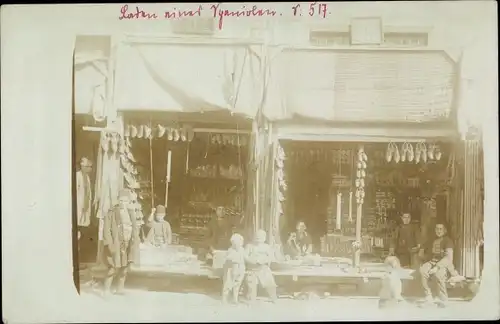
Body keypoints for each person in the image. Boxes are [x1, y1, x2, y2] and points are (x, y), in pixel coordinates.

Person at [102, 189, 139, 297]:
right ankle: (106, 290)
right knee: (113, 267)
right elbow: (106, 229)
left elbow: (135, 228)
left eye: (126, 201)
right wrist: (109, 243)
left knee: (124, 268)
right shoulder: (112, 213)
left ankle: (120, 289)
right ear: (118, 200)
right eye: (121, 200)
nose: (123, 203)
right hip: (116, 243)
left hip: (127, 243)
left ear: (128, 202)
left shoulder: (131, 213)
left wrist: (135, 241)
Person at [418, 222, 465, 308]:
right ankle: (428, 296)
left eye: (441, 229)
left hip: (444, 264)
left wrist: (437, 267)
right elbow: (424, 246)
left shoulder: (448, 241)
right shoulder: (432, 239)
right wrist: (421, 250)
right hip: (432, 261)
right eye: (437, 229)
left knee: (438, 274)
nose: (438, 231)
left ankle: (443, 299)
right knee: (423, 270)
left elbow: (448, 258)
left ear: (445, 230)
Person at [244, 229, 278, 303]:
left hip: (263, 268)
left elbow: (271, 257)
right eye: (257, 236)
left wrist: (264, 260)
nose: (258, 238)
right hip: (252, 269)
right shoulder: (249, 246)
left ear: (264, 238)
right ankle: (251, 299)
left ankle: (273, 297)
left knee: (270, 284)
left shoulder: (267, 247)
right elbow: (245, 256)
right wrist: (252, 261)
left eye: (260, 236)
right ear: (254, 237)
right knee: (251, 285)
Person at [222, 233, 246, 304]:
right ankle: (224, 298)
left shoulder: (242, 250)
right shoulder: (230, 250)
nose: (238, 245)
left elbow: (245, 257)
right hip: (232, 269)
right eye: (235, 243)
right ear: (232, 243)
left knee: (237, 284)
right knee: (228, 283)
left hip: (241, 268)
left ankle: (235, 298)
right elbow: (228, 258)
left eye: (240, 242)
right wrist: (234, 259)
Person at [76, 157, 93, 238]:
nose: (88, 169)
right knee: (79, 219)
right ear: (82, 167)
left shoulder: (87, 177)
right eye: (87, 167)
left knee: (84, 221)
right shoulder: (77, 175)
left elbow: (88, 192)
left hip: (86, 202)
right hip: (79, 203)